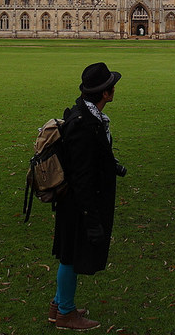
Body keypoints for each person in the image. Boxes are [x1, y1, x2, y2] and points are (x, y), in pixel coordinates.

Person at [49, 62, 126, 330]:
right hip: (78, 201)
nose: (114, 89)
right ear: (105, 93)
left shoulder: (86, 114)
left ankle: (58, 305)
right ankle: (66, 314)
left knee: (68, 253)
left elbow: (89, 156)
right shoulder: (84, 122)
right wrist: (90, 217)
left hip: (75, 199)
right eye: (111, 86)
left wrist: (111, 164)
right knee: (71, 256)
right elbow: (81, 174)